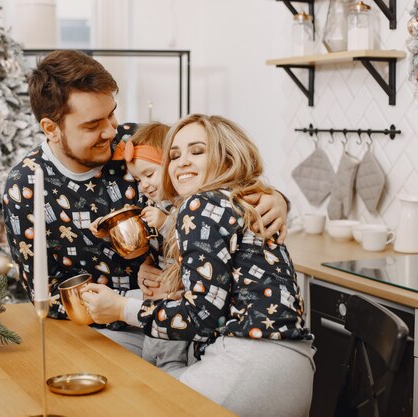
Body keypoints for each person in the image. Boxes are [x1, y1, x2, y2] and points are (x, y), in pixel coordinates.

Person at [2, 49, 289, 357]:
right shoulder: (25, 187)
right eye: (92, 124)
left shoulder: (137, 141)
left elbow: (215, 175)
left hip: (192, 325)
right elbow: (45, 294)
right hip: (103, 336)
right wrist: (129, 299)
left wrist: (274, 198)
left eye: (112, 113)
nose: (110, 131)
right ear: (51, 129)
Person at [82, 114, 315, 417]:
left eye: (197, 151)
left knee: (137, 400)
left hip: (252, 363)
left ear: (226, 156)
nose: (181, 162)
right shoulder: (237, 201)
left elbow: (200, 316)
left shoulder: (201, 204)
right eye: (174, 155)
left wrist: (119, 308)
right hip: (289, 368)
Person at [90, 122, 189, 374]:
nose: (143, 185)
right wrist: (108, 233)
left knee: (169, 355)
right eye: (137, 179)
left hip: (176, 301)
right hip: (157, 299)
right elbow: (150, 247)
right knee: (150, 349)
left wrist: (166, 223)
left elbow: (188, 245)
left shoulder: (186, 208)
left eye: (149, 174)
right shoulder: (159, 204)